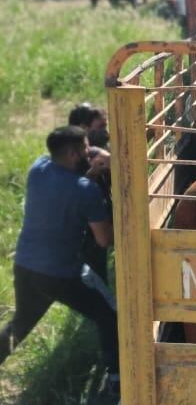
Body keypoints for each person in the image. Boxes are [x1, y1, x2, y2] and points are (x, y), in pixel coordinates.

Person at [0, 125, 119, 392]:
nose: (90, 151)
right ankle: (116, 380)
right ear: (73, 153)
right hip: (63, 274)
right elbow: (104, 240)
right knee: (110, 314)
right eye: (86, 148)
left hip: (26, 266)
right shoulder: (86, 190)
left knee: (20, 323)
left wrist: (88, 173)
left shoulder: (37, 170)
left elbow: (65, 189)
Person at [68, 103, 112, 284]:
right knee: (93, 277)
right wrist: (92, 175)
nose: (105, 132)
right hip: (84, 231)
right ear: (83, 128)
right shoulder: (70, 156)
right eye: (100, 127)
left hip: (99, 223)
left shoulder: (99, 151)